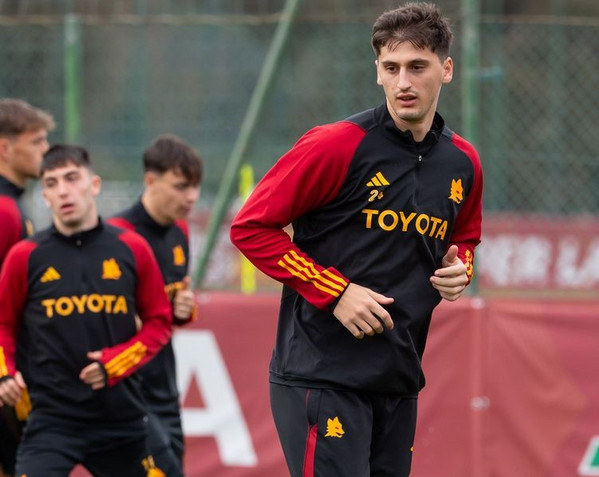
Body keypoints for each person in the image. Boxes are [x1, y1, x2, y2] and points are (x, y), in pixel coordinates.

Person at [230, 2, 483, 476]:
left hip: (399, 375)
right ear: (378, 71)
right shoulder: (335, 144)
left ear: (446, 70)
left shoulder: (463, 162)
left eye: (417, 67)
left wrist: (460, 270)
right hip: (321, 373)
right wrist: (336, 292)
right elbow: (251, 228)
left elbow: (465, 239)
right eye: (391, 67)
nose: (403, 82)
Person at [0, 144, 172, 477]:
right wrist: (4, 372)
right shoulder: (25, 256)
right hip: (52, 422)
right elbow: (2, 323)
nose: (63, 191)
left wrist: (115, 363)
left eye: (71, 178)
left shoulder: (132, 248)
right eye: (51, 183)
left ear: (94, 185)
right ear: (45, 196)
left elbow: (159, 322)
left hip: (121, 420)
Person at [108, 134, 203, 476]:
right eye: (181, 187)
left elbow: (168, 307)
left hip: (164, 383)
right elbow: (101, 319)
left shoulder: (180, 232)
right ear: (150, 181)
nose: (192, 196)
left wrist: (182, 310)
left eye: (195, 186)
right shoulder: (116, 235)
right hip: (125, 386)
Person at [0, 98, 54, 477]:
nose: (45, 150)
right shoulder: (4, 210)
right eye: (36, 142)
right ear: (5, 148)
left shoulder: (14, 205)